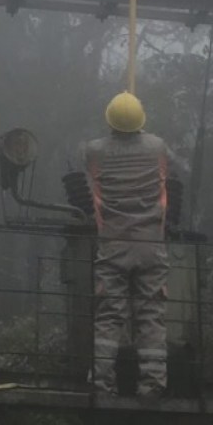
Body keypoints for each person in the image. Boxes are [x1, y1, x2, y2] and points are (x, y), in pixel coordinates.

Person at [83, 90, 174, 398]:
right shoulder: (157, 147)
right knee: (151, 314)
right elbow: (167, 168)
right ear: (141, 120)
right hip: (151, 245)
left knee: (109, 315)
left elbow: (90, 173)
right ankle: (152, 384)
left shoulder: (95, 151)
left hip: (112, 244)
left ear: (109, 120)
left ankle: (101, 383)